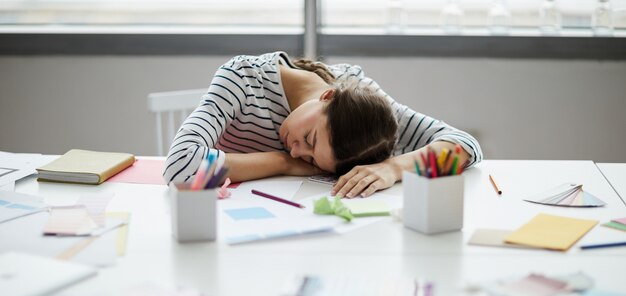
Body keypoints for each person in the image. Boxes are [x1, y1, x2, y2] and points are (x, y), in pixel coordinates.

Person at [163, 51, 482, 198]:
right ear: (328, 96)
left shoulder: (366, 107)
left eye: (312, 160)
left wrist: (392, 169)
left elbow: (465, 147)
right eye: (310, 139)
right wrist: (284, 163)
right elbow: (180, 167)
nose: (297, 150)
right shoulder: (242, 80)